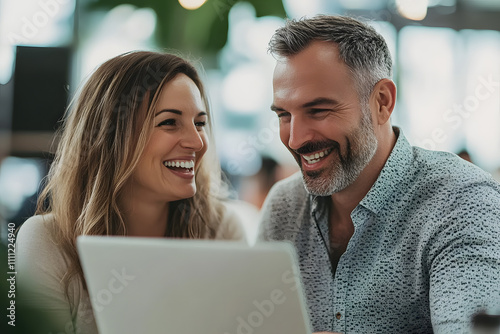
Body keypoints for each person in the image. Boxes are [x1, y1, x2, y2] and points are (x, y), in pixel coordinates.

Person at [259, 15, 500, 334]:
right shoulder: (285, 207)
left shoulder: (462, 201)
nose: (295, 139)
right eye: (284, 115)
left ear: (382, 103)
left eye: (318, 111)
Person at [15, 51, 245, 333]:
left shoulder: (221, 230)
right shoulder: (46, 241)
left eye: (200, 123)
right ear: (111, 137)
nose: (197, 142)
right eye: (169, 122)